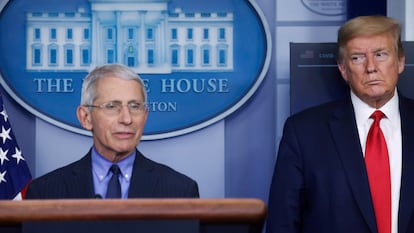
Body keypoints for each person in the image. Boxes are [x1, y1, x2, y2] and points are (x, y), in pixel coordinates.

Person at [266, 15, 414, 233]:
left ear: (400, 61)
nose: (371, 67)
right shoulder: (304, 133)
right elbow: (283, 224)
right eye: (357, 58)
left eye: (380, 55)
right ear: (343, 69)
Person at [26, 64, 199, 199]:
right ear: (86, 117)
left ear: (145, 116)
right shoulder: (45, 192)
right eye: (112, 106)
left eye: (135, 106)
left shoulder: (180, 190)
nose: (126, 118)